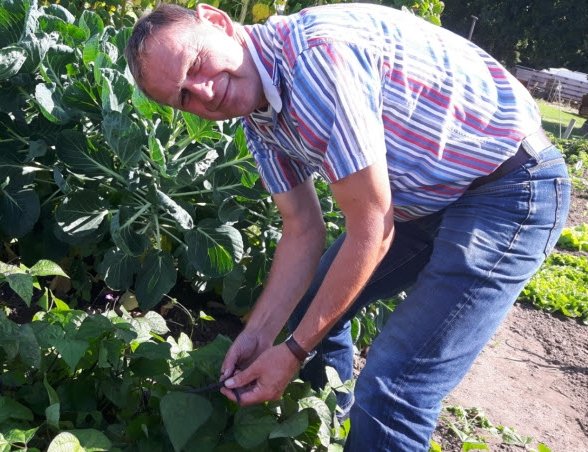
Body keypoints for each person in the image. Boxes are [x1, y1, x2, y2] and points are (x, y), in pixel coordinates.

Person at [125, 3, 571, 450]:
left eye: (196, 65)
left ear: (218, 22)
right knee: (308, 310)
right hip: (422, 200)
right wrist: (259, 337)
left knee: (394, 387)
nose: (203, 92)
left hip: (507, 185)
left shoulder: (316, 61)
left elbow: (372, 227)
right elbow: (302, 229)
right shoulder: (260, 120)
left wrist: (293, 352)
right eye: (183, 96)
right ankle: (332, 430)